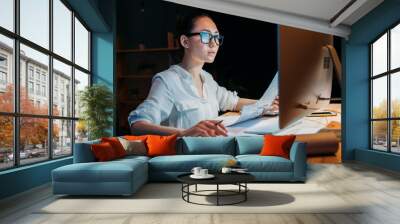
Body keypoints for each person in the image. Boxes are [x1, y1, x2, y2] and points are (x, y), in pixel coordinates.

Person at [128, 13, 278, 137]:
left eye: (217, 37)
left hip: (212, 152)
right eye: (206, 36)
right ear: (185, 41)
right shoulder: (167, 81)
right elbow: (138, 126)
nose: (213, 44)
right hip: (186, 161)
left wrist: (268, 104)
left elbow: (233, 102)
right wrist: (186, 133)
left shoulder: (207, 78)